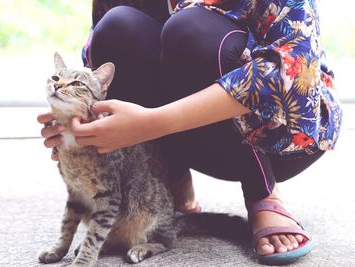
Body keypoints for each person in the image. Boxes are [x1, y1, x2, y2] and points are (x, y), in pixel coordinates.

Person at [37, 0, 343, 264]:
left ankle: (263, 192)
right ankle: (171, 179)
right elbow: (98, 69)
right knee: (116, 25)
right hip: (185, 138)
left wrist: (150, 123)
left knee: (190, 29)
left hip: (280, 137)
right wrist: (78, 124)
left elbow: (290, 73)